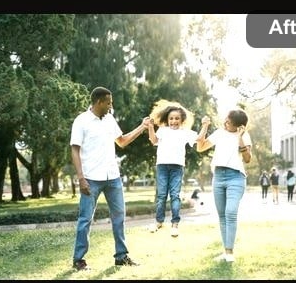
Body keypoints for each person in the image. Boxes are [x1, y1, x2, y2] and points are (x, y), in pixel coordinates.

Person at [70, 86, 150, 270]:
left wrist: (142, 127)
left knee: (119, 217)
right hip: (91, 178)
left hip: (113, 177)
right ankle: (79, 260)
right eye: (108, 103)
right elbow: (74, 149)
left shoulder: (109, 119)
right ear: (99, 102)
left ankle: (121, 256)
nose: (110, 106)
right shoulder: (81, 121)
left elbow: (121, 141)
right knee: (85, 219)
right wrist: (81, 178)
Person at [195, 109, 252, 263]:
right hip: (219, 177)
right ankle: (226, 252)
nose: (225, 123)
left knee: (230, 212)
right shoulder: (220, 133)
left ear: (239, 126)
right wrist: (205, 126)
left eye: (229, 122)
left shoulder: (244, 136)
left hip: (236, 177)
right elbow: (200, 148)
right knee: (222, 216)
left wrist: (239, 138)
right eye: (226, 120)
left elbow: (247, 159)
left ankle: (229, 252)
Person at [144, 100, 199, 237]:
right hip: (162, 166)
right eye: (171, 119)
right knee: (162, 195)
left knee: (175, 195)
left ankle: (175, 224)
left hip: (177, 167)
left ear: (182, 120)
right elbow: (154, 141)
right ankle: (158, 222)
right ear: (167, 120)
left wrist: (204, 126)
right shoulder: (162, 130)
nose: (174, 121)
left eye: (177, 119)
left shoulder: (185, 132)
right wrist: (150, 127)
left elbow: (199, 139)